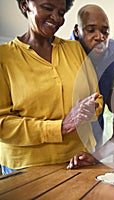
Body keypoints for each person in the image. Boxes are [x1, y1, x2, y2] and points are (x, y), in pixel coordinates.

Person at [0, 0, 103, 175]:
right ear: (25, 4)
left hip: (78, 160)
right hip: (25, 166)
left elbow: (96, 98)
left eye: (61, 13)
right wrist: (60, 127)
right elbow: (2, 124)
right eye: (48, 8)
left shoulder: (75, 49)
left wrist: (91, 109)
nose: (56, 18)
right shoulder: (4, 56)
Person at [70, 4, 114, 147]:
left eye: (105, 32)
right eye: (91, 30)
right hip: (67, 139)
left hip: (96, 137)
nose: (100, 37)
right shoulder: (64, 54)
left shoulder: (113, 51)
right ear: (77, 30)